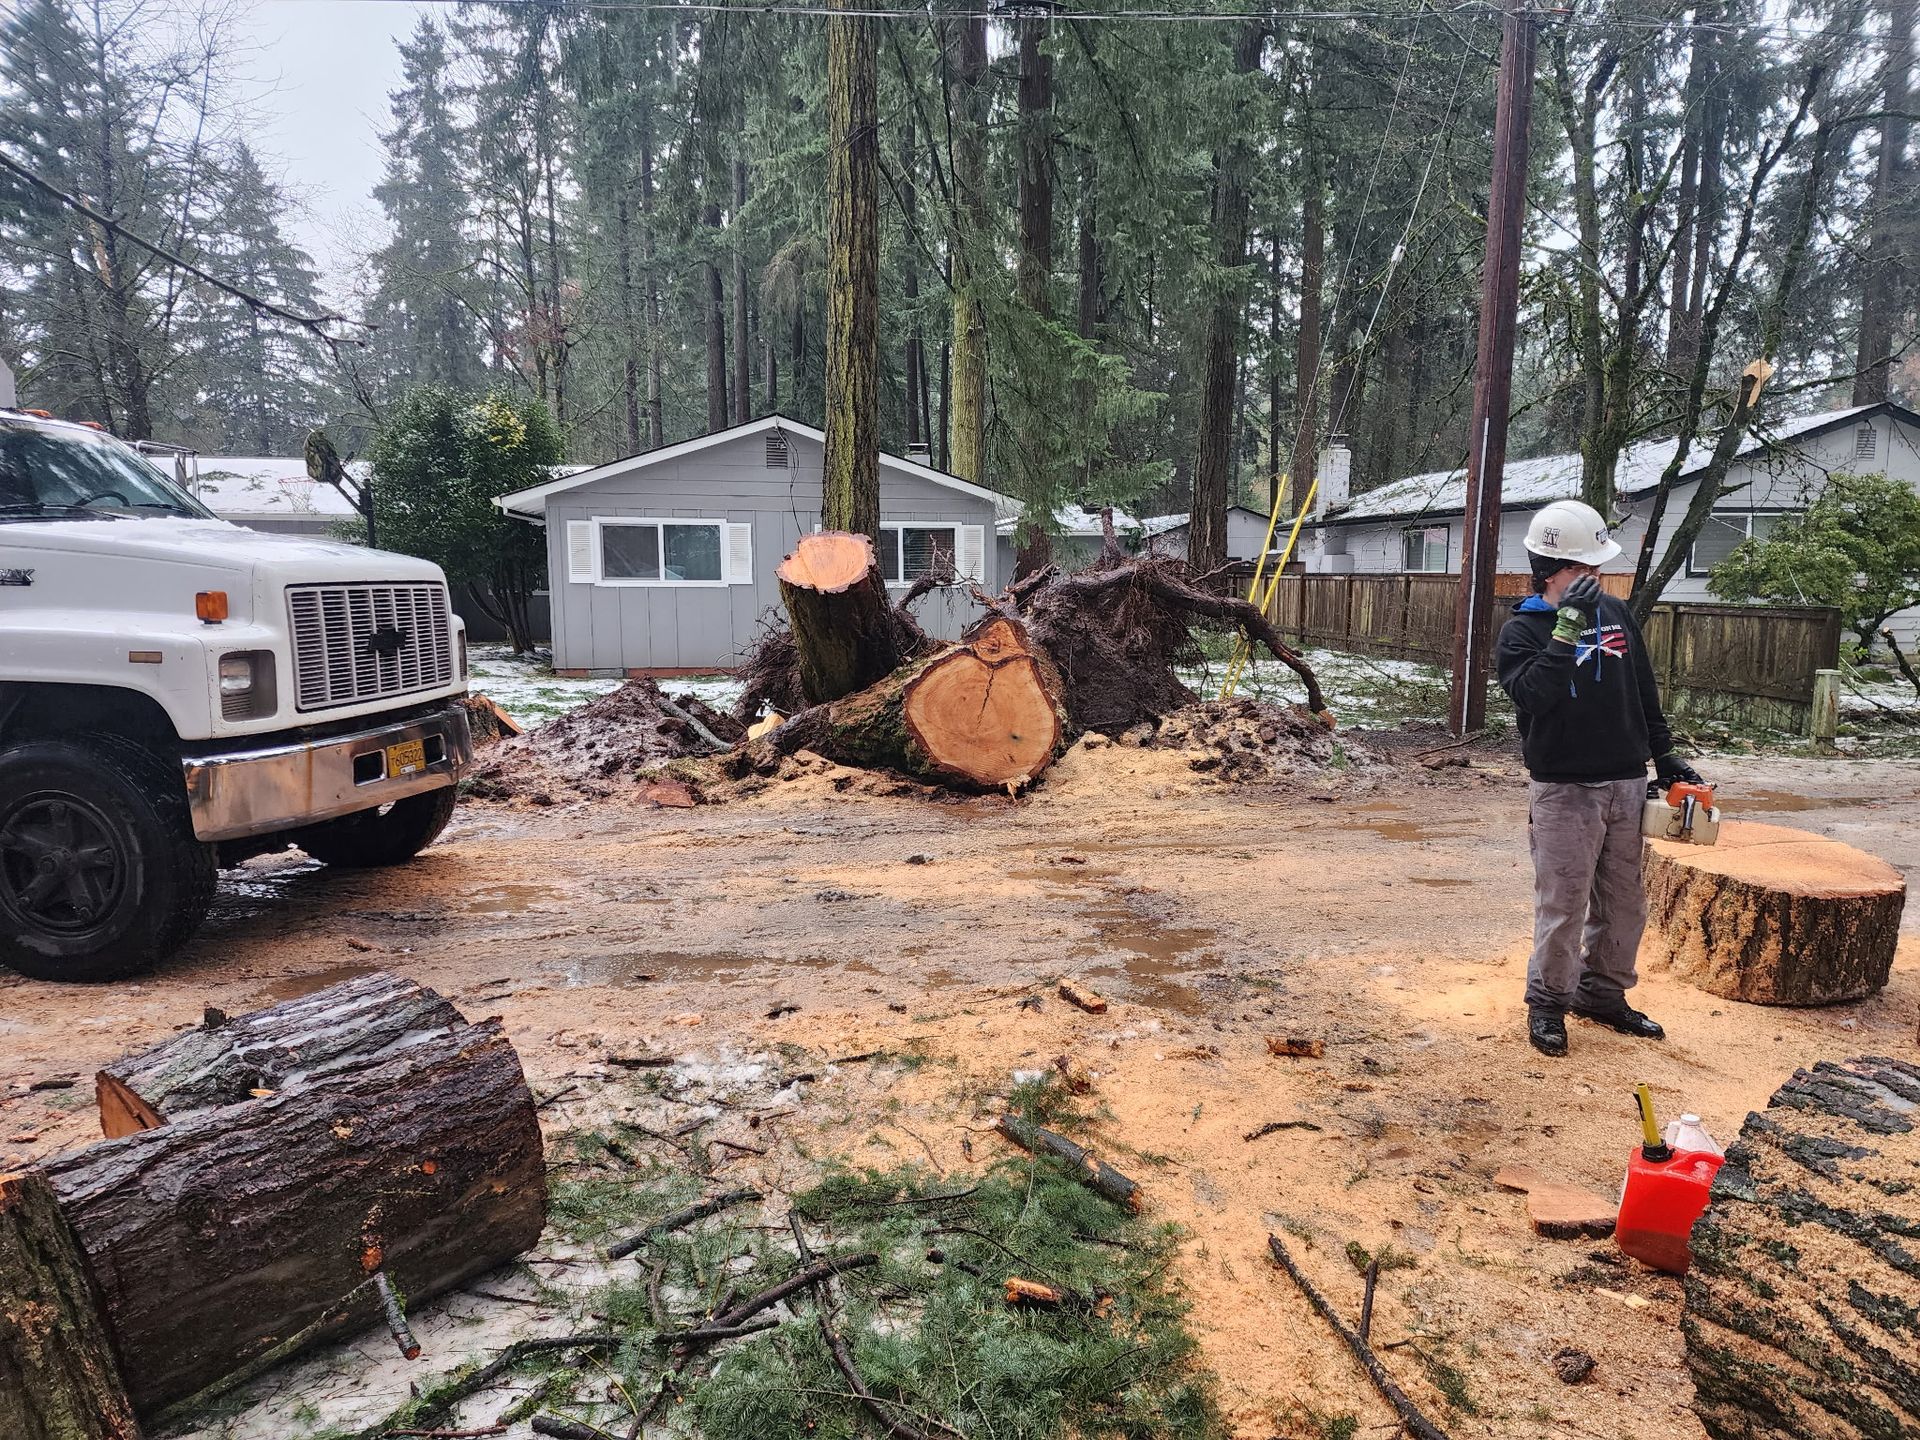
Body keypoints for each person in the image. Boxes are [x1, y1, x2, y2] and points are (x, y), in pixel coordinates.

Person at [1496, 499, 1706, 1058]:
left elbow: (1643, 692)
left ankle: (1602, 994)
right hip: (1563, 786)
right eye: (1581, 571)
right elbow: (1532, 696)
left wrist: (1666, 759)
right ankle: (1548, 1004)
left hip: (1625, 781)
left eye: (1596, 570)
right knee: (1563, 904)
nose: (1593, 580)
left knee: (1624, 903)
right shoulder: (1521, 630)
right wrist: (1565, 627)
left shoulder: (1617, 613)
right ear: (1548, 570)